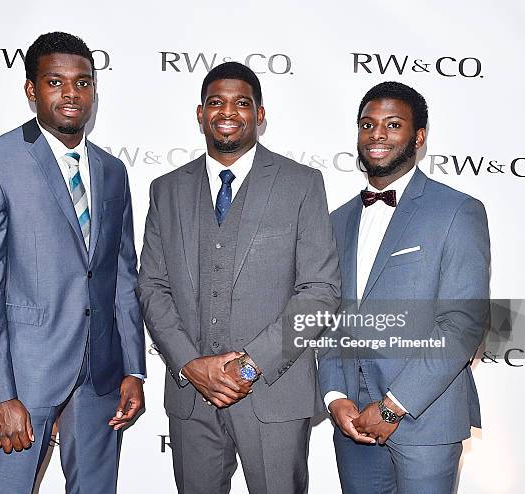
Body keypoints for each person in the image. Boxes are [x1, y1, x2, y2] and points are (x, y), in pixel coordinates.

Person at [137, 61, 340, 494]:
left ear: (259, 115)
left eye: (241, 103)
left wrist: (249, 367)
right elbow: (152, 286)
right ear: (200, 113)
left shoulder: (301, 183)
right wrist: (191, 365)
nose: (228, 112)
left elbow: (319, 292)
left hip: (274, 394)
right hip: (192, 398)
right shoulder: (166, 189)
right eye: (216, 102)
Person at [0, 32, 145, 493]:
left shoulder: (111, 170)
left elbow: (122, 275)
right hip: (26, 376)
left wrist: (133, 369)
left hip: (100, 376)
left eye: (82, 83)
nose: (70, 94)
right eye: (55, 82)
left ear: (94, 92)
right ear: (31, 90)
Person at [318, 81, 490, 493]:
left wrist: (394, 407)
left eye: (393, 124)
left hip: (424, 419)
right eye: (367, 124)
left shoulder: (457, 211)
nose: (377, 134)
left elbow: (462, 325)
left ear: (419, 137)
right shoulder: (337, 221)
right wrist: (335, 395)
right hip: (353, 423)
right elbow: (327, 318)